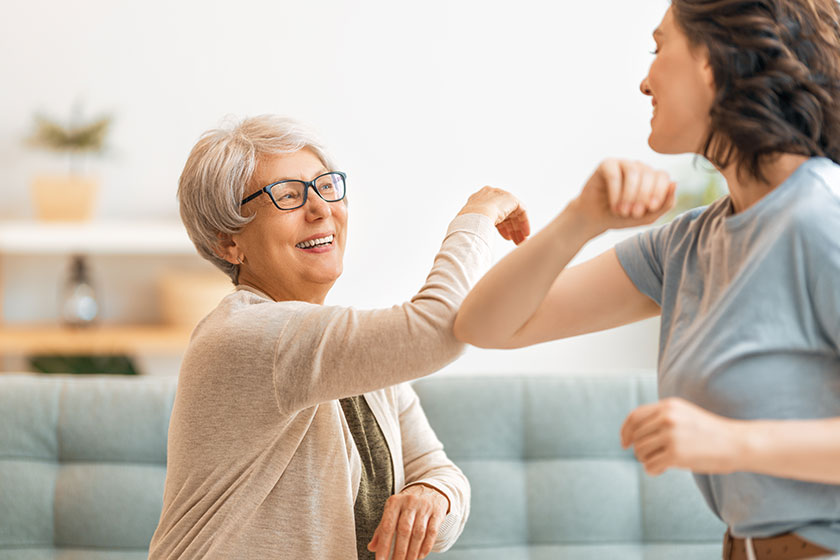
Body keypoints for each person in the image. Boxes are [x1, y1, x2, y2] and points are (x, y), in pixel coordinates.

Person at [453, 1, 840, 559]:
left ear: (717, 60)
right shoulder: (687, 243)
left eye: (660, 47)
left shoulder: (821, 218)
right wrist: (579, 220)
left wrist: (732, 442)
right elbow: (486, 325)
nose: (643, 80)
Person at [148, 115, 530, 560]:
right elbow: (442, 329)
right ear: (229, 243)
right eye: (288, 196)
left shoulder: (349, 353)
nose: (321, 209)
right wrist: (477, 215)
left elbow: (439, 470)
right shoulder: (244, 337)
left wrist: (430, 496)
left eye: (326, 186)